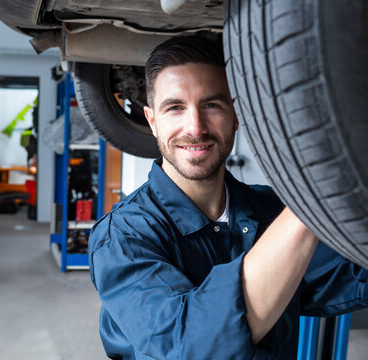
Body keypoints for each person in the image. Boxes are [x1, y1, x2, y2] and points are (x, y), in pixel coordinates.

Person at [88, 35, 368, 359]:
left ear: (236, 115)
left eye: (211, 105)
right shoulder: (123, 237)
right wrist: (310, 198)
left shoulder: (270, 210)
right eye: (175, 107)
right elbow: (193, 346)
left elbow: (347, 272)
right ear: (152, 121)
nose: (195, 127)